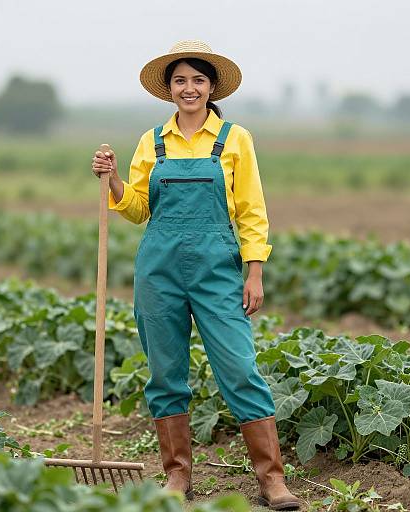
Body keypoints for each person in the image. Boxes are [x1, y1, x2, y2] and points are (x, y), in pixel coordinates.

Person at [92, 40, 301, 510]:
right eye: (181, 80)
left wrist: (255, 272)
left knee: (239, 368)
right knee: (166, 373)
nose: (189, 88)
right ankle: (177, 477)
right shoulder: (153, 141)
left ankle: (272, 481)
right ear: (169, 89)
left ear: (211, 88)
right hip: (159, 271)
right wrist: (114, 182)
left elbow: (251, 210)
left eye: (198, 80)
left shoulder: (234, 138)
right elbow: (139, 207)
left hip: (217, 271)